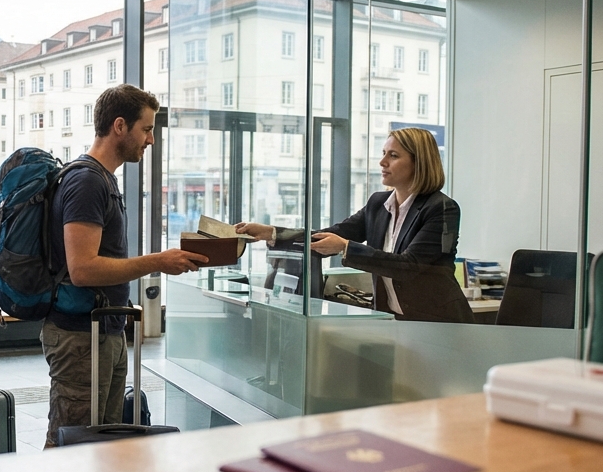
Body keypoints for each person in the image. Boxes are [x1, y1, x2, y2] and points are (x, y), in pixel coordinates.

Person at [43, 84, 208, 447]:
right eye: (146, 129)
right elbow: (82, 269)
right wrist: (158, 262)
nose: (150, 140)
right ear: (120, 126)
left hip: (104, 331)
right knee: (70, 444)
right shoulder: (87, 181)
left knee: (101, 444)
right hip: (81, 337)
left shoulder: (102, 179)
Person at [237, 127, 472, 323]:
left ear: (418, 162)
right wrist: (272, 233)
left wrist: (346, 248)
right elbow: (334, 235)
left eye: (393, 155)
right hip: (394, 320)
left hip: (439, 322)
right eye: (383, 153)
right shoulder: (378, 204)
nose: (382, 162)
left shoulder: (441, 208)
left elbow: (409, 266)